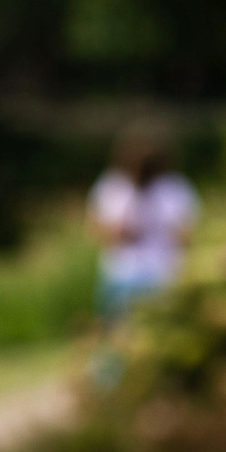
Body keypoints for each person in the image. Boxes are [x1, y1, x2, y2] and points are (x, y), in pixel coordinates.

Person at [88, 129, 200, 323]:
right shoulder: (113, 185)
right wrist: (119, 232)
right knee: (115, 333)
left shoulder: (173, 188)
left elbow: (187, 236)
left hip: (163, 275)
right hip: (121, 274)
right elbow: (95, 227)